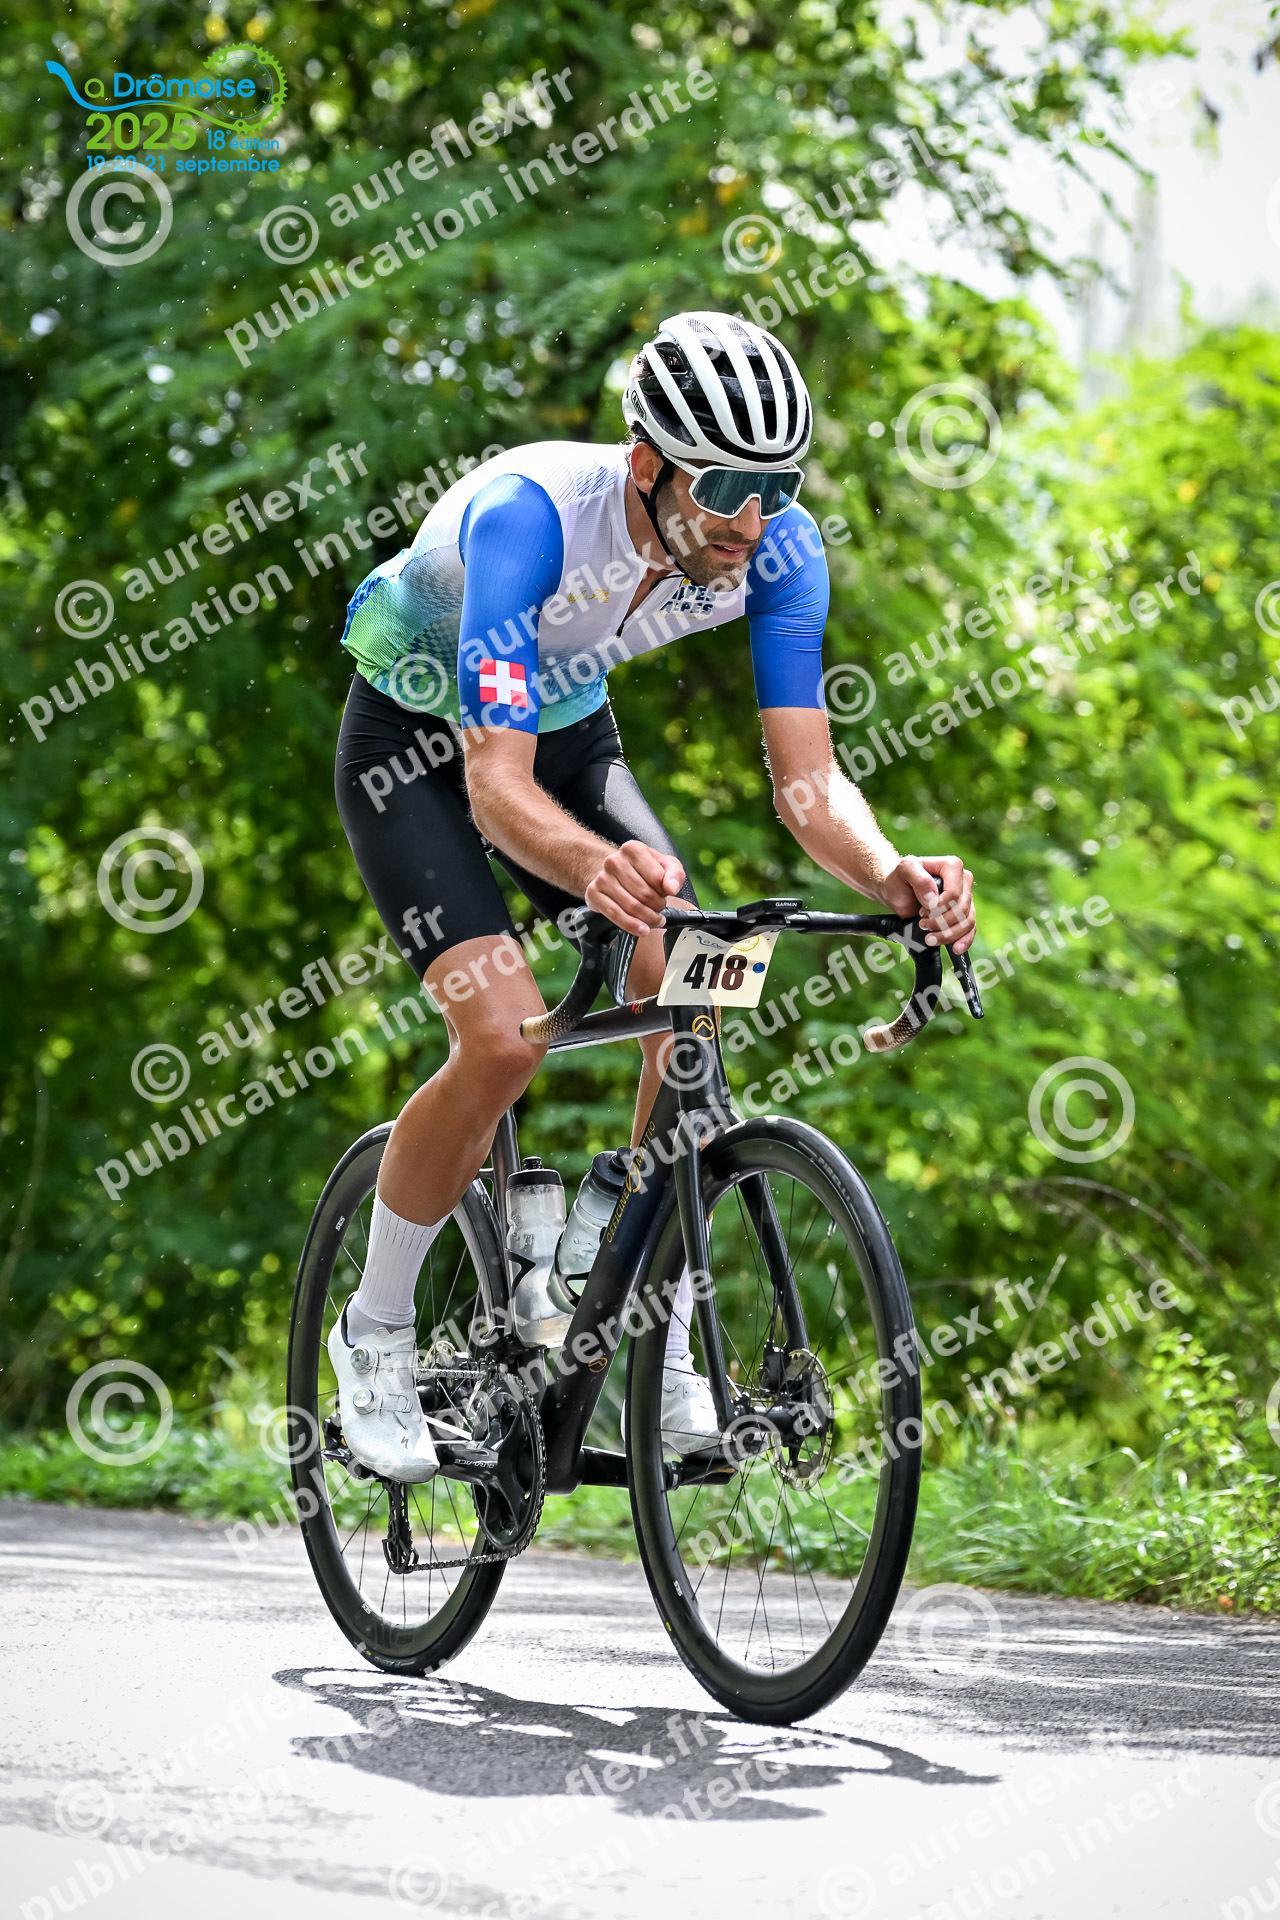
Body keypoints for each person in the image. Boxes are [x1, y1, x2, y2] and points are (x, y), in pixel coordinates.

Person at [329, 310, 976, 1481]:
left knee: (696, 979)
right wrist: (592, 867)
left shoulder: (775, 548)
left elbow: (808, 785)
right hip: (412, 750)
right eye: (723, 486)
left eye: (775, 486)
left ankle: (646, 1315)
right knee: (502, 1039)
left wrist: (890, 871)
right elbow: (492, 786)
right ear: (646, 464)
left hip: (567, 730)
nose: (749, 519)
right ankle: (372, 1330)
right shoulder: (529, 517)